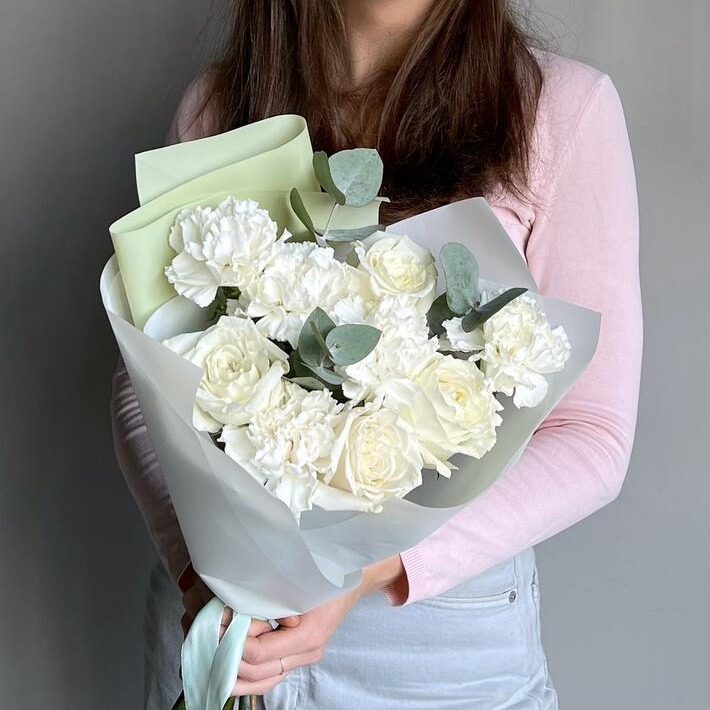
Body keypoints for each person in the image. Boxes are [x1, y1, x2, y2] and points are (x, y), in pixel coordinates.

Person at [111, 1, 642, 707]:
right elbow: (144, 385)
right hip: (226, 630)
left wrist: (366, 569)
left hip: (434, 646)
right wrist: (201, 570)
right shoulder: (217, 106)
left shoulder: (562, 109)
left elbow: (592, 435)